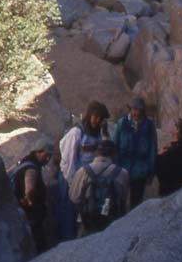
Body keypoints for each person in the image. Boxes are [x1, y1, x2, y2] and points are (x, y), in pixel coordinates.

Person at [58, 101, 110, 241]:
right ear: (89, 115)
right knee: (69, 214)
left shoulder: (98, 134)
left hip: (87, 179)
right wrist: (72, 183)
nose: (98, 120)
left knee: (84, 212)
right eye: (96, 116)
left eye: (101, 118)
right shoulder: (76, 133)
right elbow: (69, 161)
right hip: (71, 179)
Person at [69, 140, 129, 236]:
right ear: (114, 154)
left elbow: (74, 197)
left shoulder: (83, 171)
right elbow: (123, 199)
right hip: (112, 223)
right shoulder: (122, 173)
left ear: (96, 152)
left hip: (87, 222)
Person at [10, 137, 53, 253]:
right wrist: (31, 202)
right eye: (46, 155)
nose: (48, 159)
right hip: (31, 216)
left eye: (50, 156)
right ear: (38, 151)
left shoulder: (24, 162)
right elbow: (29, 189)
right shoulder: (31, 169)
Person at [113, 97, 157, 208]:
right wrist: (115, 167)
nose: (136, 113)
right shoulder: (121, 124)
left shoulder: (149, 125)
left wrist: (151, 171)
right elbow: (115, 146)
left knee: (136, 203)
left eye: (139, 110)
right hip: (123, 168)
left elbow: (152, 148)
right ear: (130, 110)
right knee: (120, 201)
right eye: (134, 109)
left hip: (140, 170)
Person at [156, 118, 182, 196]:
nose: (173, 129)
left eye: (175, 128)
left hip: (169, 188)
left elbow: (160, 169)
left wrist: (159, 155)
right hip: (178, 186)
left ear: (178, 131)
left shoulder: (175, 149)